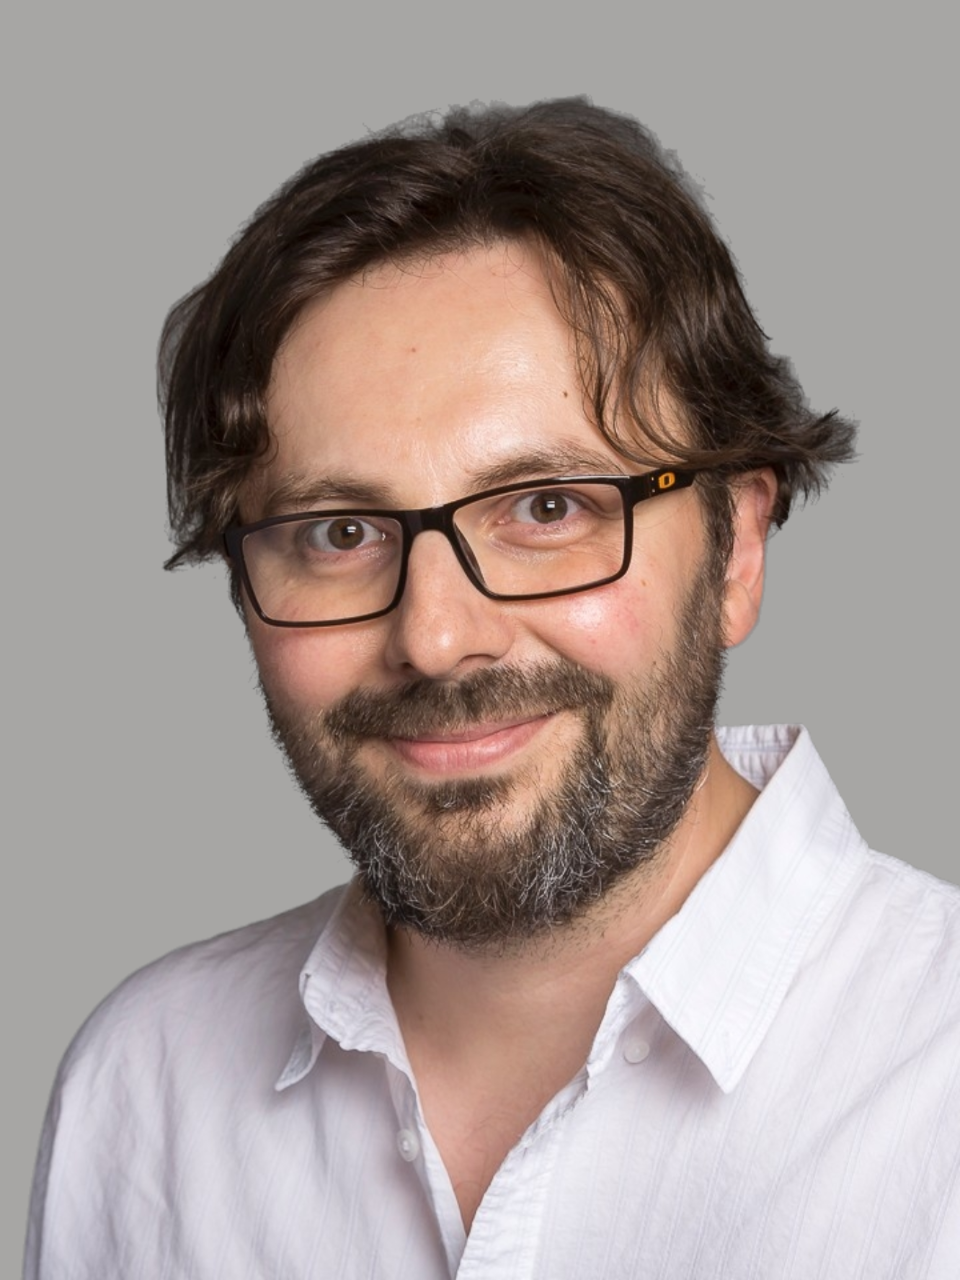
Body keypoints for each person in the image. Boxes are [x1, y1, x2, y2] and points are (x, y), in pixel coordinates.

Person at [25, 99, 959, 1279]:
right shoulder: (143, 1091)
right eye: (339, 530)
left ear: (735, 549)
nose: (435, 636)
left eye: (547, 507)